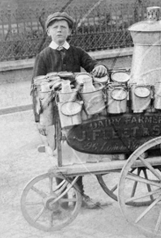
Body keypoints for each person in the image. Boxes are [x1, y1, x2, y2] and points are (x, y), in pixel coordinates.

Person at [32, 11, 108, 209]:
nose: (59, 30)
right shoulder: (43, 56)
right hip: (55, 114)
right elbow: (36, 88)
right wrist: (38, 119)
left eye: (63, 27)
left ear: (69, 31)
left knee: (76, 152)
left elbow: (92, 66)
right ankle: (65, 199)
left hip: (76, 112)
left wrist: (99, 67)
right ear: (48, 31)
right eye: (55, 27)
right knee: (60, 154)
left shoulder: (77, 52)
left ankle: (79, 196)